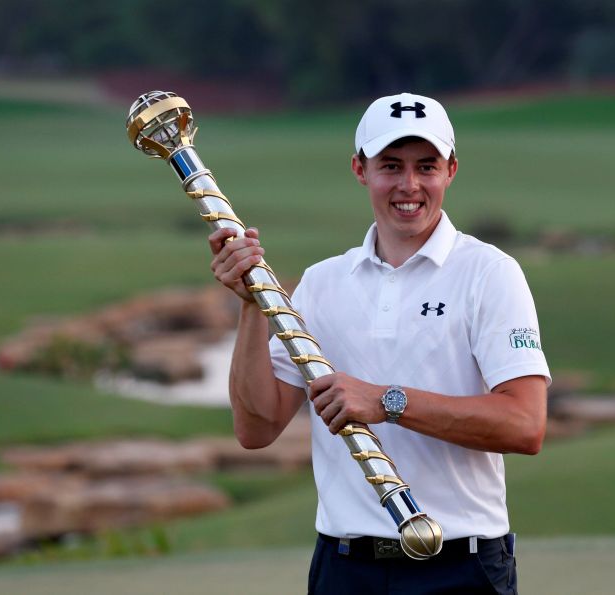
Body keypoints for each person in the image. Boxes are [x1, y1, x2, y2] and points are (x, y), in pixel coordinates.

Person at [208, 92, 550, 594]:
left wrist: (388, 402)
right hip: (346, 567)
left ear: (451, 170)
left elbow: (525, 424)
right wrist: (251, 307)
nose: (409, 185)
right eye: (391, 166)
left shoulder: (490, 274)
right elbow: (255, 429)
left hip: (461, 567)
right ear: (360, 170)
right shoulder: (322, 283)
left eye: (426, 166)